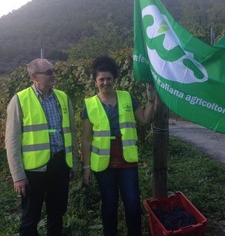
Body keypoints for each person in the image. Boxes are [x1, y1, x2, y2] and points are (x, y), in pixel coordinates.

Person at [82, 55, 155, 236]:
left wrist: (152, 100)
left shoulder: (127, 97)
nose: (105, 82)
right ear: (95, 81)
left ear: (115, 79)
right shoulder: (89, 105)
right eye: (101, 79)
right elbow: (86, 139)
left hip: (127, 160)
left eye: (109, 78)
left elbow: (145, 119)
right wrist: (86, 167)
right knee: (109, 204)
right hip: (102, 164)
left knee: (132, 203)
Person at [5, 58, 79, 236]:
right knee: (30, 217)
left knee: (57, 213)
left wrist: (73, 163)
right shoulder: (20, 100)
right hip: (34, 170)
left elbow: (72, 133)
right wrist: (18, 176)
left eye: (54, 71)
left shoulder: (62, 97)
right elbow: (12, 140)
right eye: (49, 72)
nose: (54, 75)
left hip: (60, 165)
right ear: (34, 76)